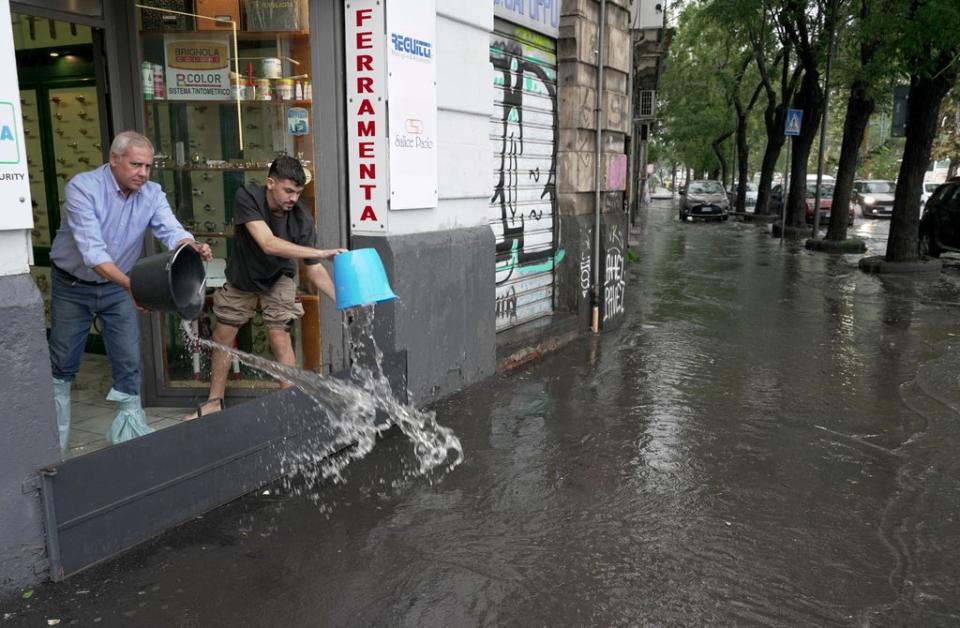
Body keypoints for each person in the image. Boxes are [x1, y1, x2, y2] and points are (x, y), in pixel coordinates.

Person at [49, 130, 213, 452]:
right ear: (114, 160)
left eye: (148, 166)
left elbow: (171, 228)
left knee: (128, 361)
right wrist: (134, 288)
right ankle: (55, 448)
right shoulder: (83, 188)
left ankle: (130, 442)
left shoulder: (151, 193)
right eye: (136, 164)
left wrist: (191, 246)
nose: (143, 173)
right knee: (63, 363)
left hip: (117, 288)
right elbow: (93, 254)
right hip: (73, 286)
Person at [188, 156, 344, 418]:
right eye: (288, 191)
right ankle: (214, 402)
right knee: (222, 336)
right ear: (270, 183)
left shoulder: (301, 219)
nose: (294, 198)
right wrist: (322, 250)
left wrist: (343, 302)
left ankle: (290, 404)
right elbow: (267, 243)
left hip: (278, 277)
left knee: (279, 336)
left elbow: (314, 269)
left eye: (298, 192)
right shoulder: (248, 196)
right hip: (243, 277)